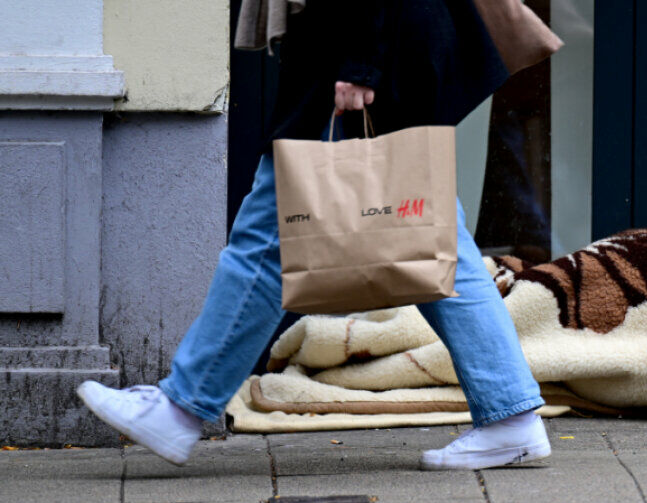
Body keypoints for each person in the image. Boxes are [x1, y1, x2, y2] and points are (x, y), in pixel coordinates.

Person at [77, 0, 551, 470]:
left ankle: (179, 408)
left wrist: (361, 63)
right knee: (431, 236)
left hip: (357, 44)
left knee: (269, 239)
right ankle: (509, 411)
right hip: (379, 38)